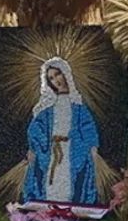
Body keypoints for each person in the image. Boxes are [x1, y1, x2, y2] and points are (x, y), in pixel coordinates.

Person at [22, 56, 100, 205]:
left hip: (72, 151)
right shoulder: (46, 110)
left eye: (57, 74)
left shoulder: (79, 108)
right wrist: (35, 146)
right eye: (51, 78)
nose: (56, 80)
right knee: (48, 183)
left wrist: (92, 146)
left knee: (73, 181)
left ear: (65, 73)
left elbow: (87, 127)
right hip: (51, 152)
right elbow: (36, 129)